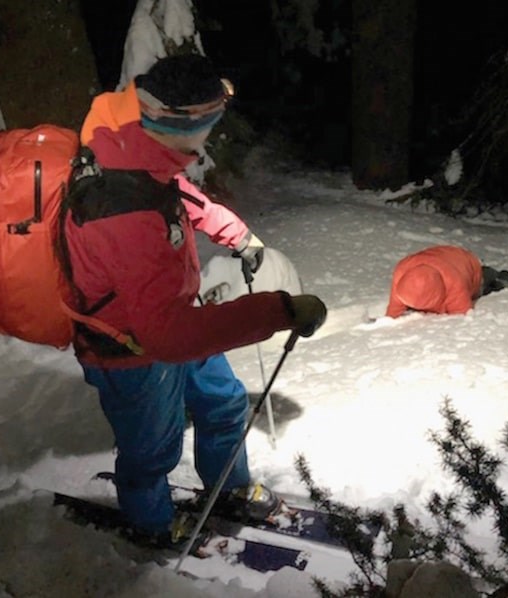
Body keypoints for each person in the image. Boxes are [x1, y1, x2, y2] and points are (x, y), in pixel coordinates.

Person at [59, 53, 326, 543]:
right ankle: (152, 523)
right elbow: (167, 336)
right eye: (211, 123)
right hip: (131, 349)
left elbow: (178, 197)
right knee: (151, 450)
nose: (212, 136)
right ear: (186, 126)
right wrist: (279, 310)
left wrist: (238, 236)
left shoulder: (139, 151)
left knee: (223, 404)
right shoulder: (121, 205)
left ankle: (226, 489)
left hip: (170, 320)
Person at [385, 245, 508, 318]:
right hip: (441, 255)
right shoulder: (401, 273)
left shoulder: (454, 283)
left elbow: (461, 315)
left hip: (465, 261)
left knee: (484, 286)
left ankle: (503, 278)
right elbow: (394, 309)